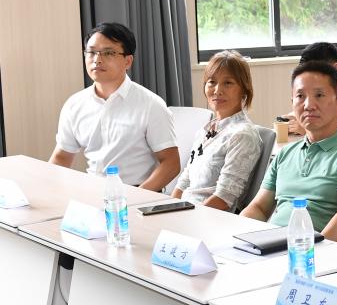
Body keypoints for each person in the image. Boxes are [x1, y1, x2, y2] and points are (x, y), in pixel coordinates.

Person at [242, 61, 337, 246]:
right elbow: (259, 207)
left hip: (315, 254)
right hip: (271, 247)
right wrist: (238, 239)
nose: (308, 105)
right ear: (292, 103)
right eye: (300, 96)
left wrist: (303, 255)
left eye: (319, 95)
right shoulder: (286, 153)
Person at [50, 22, 179, 191]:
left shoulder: (151, 105)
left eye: (108, 53)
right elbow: (61, 157)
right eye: (91, 52)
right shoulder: (74, 104)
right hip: (92, 192)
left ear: (128, 61)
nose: (97, 59)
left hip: (139, 192)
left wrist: (136, 198)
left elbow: (171, 163)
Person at [171, 50, 263, 212]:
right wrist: (168, 209)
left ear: (244, 89)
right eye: (212, 82)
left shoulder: (242, 135)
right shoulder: (204, 131)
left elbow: (224, 198)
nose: (217, 90)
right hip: (185, 212)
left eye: (228, 83)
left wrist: (184, 218)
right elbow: (184, 183)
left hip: (209, 217)